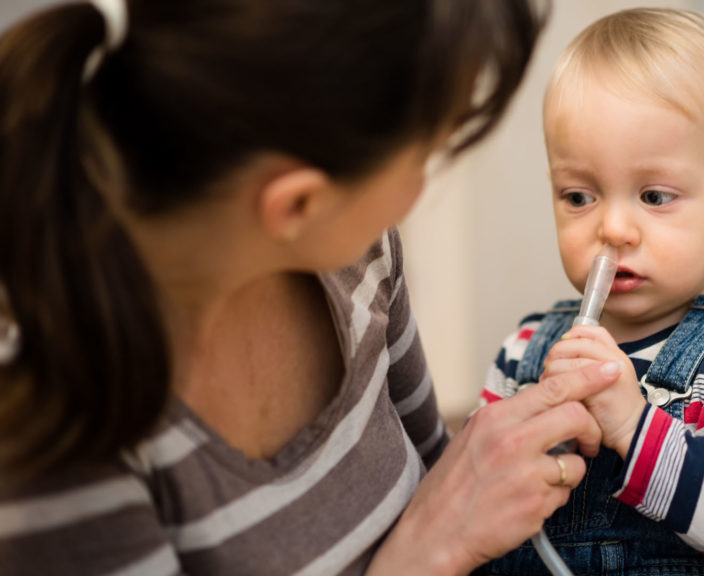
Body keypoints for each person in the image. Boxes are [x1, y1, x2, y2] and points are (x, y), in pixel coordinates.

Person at [0, 1, 625, 574]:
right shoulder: (55, 444)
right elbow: (440, 526)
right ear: (297, 204)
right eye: (424, 156)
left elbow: (439, 478)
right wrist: (423, 554)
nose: (418, 192)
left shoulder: (358, 261)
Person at [477, 8, 704, 576]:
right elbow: (471, 502)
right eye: (579, 196)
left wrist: (635, 429)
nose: (611, 229)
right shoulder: (525, 349)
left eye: (655, 197)